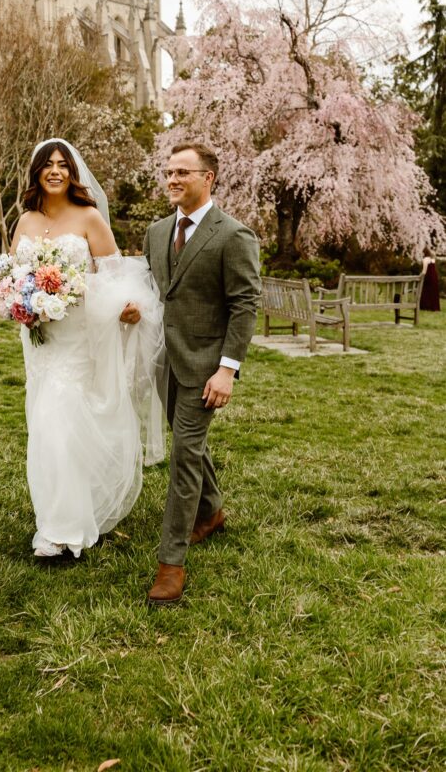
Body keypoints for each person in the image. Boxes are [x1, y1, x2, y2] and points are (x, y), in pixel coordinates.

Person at [10, 138, 164, 559]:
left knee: (57, 423)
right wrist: (15, 301)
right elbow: (13, 275)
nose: (55, 171)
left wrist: (127, 308)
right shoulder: (24, 220)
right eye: (48, 165)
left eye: (63, 165)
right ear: (37, 172)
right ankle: (58, 515)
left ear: (72, 173)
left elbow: (116, 276)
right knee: (43, 427)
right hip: (41, 338)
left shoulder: (89, 217)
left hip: (79, 337)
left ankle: (62, 533)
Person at [142, 142, 261, 605]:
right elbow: (156, 291)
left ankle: (170, 563)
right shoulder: (155, 232)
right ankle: (211, 513)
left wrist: (226, 370)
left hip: (205, 368)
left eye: (183, 173)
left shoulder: (233, 235)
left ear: (208, 178)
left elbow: (245, 304)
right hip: (163, 362)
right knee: (189, 443)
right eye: (168, 172)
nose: (172, 179)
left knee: (184, 456)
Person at [420, 247, 441, 312]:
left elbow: (424, 271)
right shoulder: (432, 259)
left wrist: (419, 276)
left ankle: (426, 306)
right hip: (434, 276)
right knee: (433, 291)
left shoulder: (425, 259)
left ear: (424, 253)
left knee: (426, 291)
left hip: (428, 277)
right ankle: (434, 307)